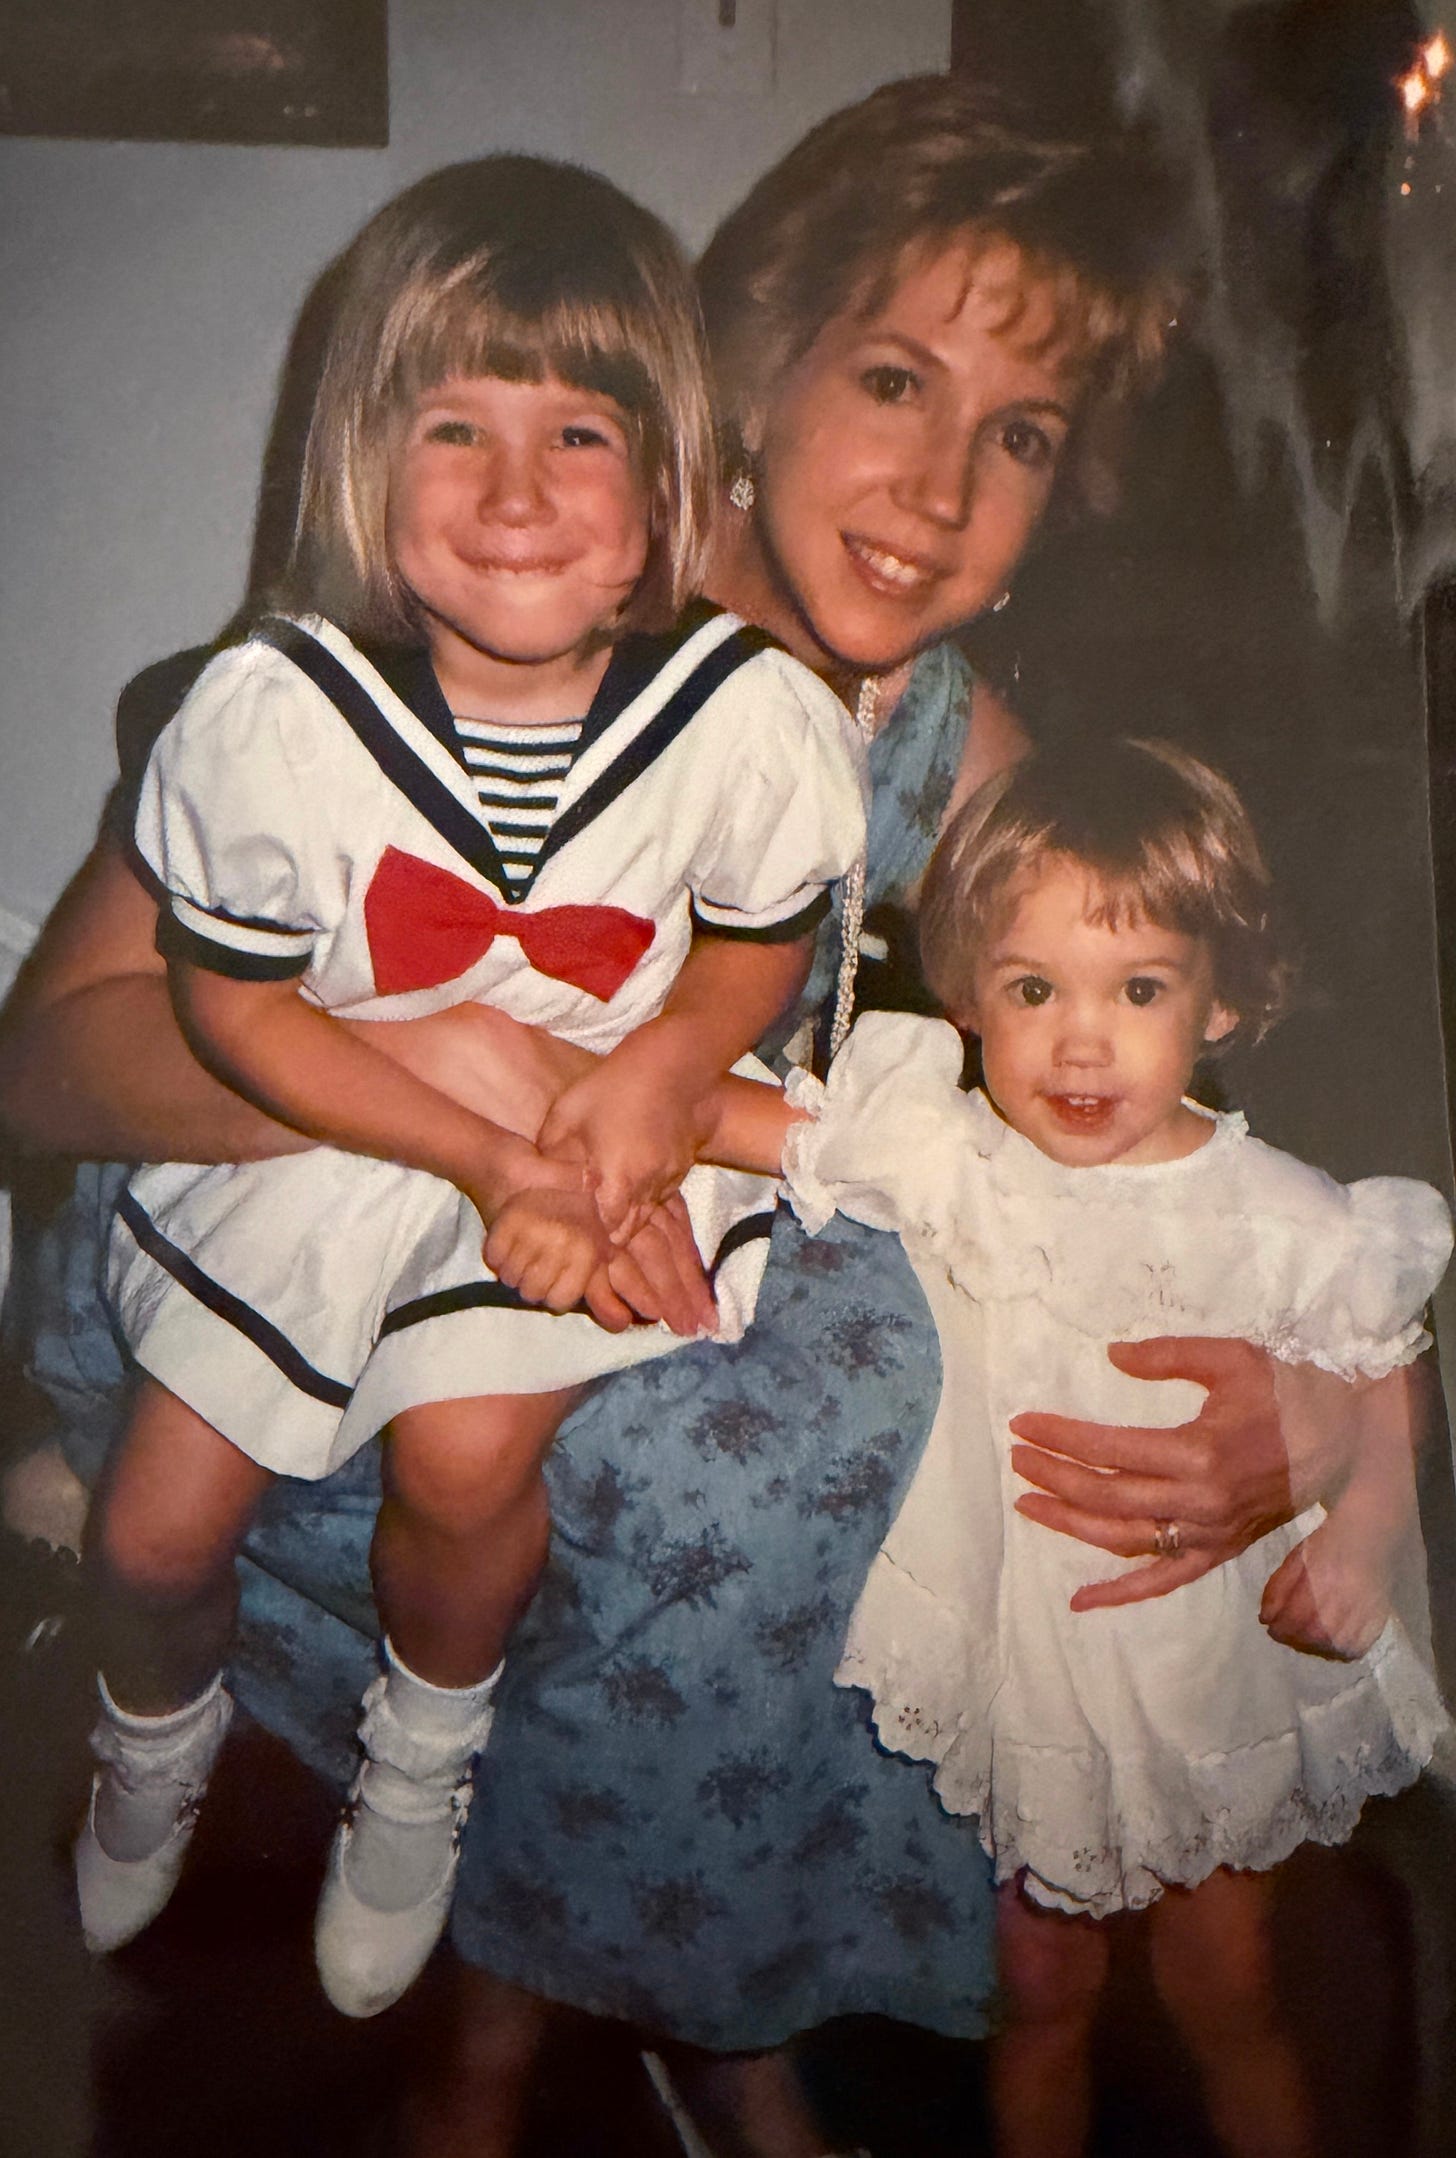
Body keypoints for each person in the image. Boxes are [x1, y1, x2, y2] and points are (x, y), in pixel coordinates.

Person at [0, 75, 1427, 2158]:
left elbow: (1139, 1087)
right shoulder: (485, 601)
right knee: (728, 1476)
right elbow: (49, 1058)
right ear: (748, 375)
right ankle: (577, 2015)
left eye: (1022, 434)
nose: (940, 488)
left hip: (687, 1215)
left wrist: (1318, 1392)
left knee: (956, 1402)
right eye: (892, 380)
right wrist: (462, 1069)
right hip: (324, 1234)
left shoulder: (937, 733)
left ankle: (711, 1983)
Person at [71, 154, 865, 2020]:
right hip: (352, 1110)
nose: (515, 493)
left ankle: (421, 1755)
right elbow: (239, 1009)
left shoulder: (738, 713)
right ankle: (150, 1730)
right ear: (365, 455)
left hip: (595, 1116)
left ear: (667, 480)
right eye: (456, 428)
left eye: (578, 432)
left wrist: (663, 1069)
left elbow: (754, 948)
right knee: (150, 1532)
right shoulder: (277, 715)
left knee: (466, 1454)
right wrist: (471, 1150)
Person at [779, 737, 1451, 2158]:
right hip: (1032, 1669)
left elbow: (1389, 1359)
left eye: (1139, 990)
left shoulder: (1278, 1210)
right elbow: (785, 1134)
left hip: (1208, 1668)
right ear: (967, 995)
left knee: (1228, 1986)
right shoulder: (960, 1161)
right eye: (1035, 990)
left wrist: (1368, 1525)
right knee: (1038, 1992)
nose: (1082, 1043)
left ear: (1221, 999)